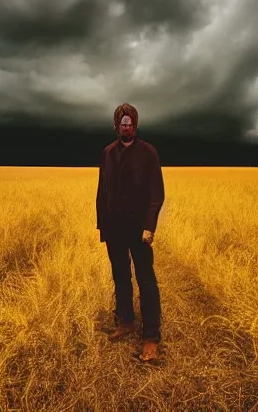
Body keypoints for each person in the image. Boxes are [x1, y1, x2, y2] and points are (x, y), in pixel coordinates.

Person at [96, 103, 165, 362]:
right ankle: (125, 321)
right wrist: (102, 226)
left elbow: (157, 194)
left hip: (139, 230)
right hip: (114, 228)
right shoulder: (107, 153)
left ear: (135, 125)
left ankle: (151, 337)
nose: (127, 127)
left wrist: (150, 226)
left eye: (130, 122)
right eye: (122, 123)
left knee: (146, 280)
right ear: (116, 125)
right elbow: (102, 192)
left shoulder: (148, 153)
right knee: (121, 275)